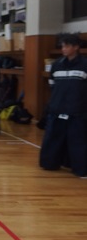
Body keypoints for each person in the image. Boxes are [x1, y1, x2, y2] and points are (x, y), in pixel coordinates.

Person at [40, 34, 87, 177]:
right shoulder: (56, 64)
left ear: (76, 47)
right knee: (53, 138)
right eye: (62, 46)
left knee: (77, 141)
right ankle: (50, 163)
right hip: (57, 108)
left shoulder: (85, 65)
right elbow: (52, 85)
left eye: (67, 46)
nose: (63, 49)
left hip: (77, 110)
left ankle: (80, 168)